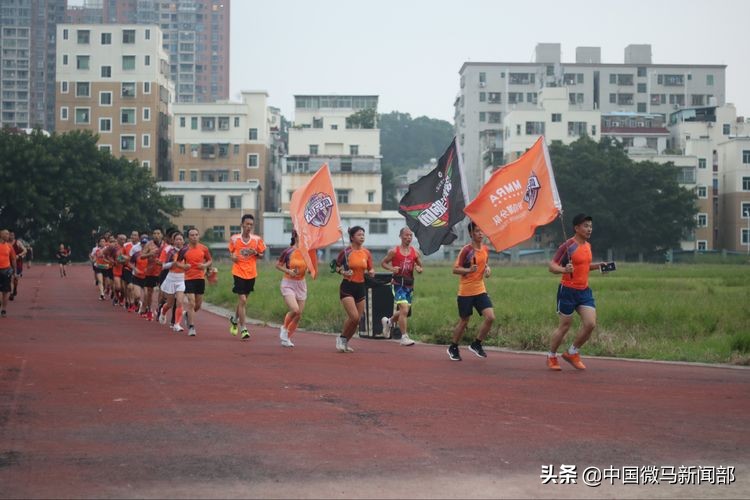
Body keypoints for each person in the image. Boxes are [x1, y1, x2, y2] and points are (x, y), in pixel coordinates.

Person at [546, 213, 606, 371]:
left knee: (590, 324)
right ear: (576, 228)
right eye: (586, 226)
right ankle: (551, 356)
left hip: (584, 291)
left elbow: (584, 266)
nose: (589, 229)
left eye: (590, 226)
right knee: (565, 326)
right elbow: (552, 266)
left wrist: (598, 265)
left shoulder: (588, 246)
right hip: (567, 290)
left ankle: (572, 352)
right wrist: (564, 269)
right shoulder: (568, 246)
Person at [447, 221, 495, 361]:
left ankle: (476, 344)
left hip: (480, 289)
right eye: (477, 231)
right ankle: (453, 347)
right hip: (466, 291)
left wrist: (487, 269)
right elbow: (455, 269)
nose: (480, 233)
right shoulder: (466, 250)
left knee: (490, 317)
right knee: (464, 321)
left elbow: (484, 263)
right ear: (471, 233)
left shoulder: (485, 249)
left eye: (482, 231)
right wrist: (468, 270)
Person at [334, 226, 375, 353]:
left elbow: (370, 268)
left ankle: (345, 342)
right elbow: (335, 266)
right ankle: (341, 339)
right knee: (354, 317)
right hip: (347, 287)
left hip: (360, 287)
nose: (362, 236)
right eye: (359, 234)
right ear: (352, 237)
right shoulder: (346, 252)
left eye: (363, 234)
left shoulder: (366, 253)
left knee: (357, 320)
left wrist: (371, 272)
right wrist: (343, 272)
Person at [380, 227, 422, 346]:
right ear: (400, 236)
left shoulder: (415, 252)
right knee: (403, 309)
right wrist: (391, 268)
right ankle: (404, 337)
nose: (408, 237)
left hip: (409, 284)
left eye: (410, 235)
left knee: (405, 311)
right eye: (406, 235)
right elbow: (383, 263)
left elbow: (420, 265)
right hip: (398, 284)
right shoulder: (394, 251)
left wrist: (419, 268)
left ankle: (388, 322)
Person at [228, 214, 266, 340]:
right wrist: (233, 257)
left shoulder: (256, 240)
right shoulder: (234, 239)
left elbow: (261, 255)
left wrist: (255, 253)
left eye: (251, 224)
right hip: (238, 272)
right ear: (242, 224)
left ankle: (234, 319)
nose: (249, 226)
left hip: (251, 273)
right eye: (247, 224)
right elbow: (232, 254)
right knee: (243, 300)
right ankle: (243, 328)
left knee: (242, 301)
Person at [275, 230, 314, 347]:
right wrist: (288, 271)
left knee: (298, 315)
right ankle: (284, 328)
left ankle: (287, 338)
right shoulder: (288, 251)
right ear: (295, 236)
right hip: (288, 283)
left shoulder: (306, 251)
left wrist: (309, 271)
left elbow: (308, 268)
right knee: (295, 310)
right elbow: (277, 265)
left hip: (301, 284)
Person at [183, 227, 212, 337]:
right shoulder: (184, 250)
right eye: (192, 235)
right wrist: (184, 266)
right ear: (188, 237)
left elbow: (210, 260)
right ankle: (191, 327)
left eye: (196, 235)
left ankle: (187, 315)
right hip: (188, 278)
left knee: (198, 305)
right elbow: (178, 262)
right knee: (191, 302)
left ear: (199, 236)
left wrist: (204, 265)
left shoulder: (204, 248)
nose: (194, 237)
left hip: (200, 278)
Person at [158, 232, 190, 333]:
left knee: (180, 302)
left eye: (181, 239)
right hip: (171, 278)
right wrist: (174, 263)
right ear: (173, 241)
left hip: (181, 279)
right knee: (170, 304)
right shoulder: (170, 252)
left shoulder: (187, 251)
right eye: (177, 239)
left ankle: (177, 324)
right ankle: (163, 312)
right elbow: (163, 265)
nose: (179, 241)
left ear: (183, 241)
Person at [0, 229, 17, 317]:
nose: (8, 236)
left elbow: (13, 259)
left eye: (8, 234)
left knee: (5, 292)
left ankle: (3, 310)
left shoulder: (9, 246)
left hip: (6, 270)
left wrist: (15, 271)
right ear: (1, 235)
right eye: (6, 234)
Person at [8, 231, 26, 301]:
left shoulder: (18, 242)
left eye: (12, 235)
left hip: (18, 263)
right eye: (10, 235)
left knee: (15, 279)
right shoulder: (6, 243)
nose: (11, 236)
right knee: (11, 278)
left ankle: (15, 288)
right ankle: (11, 293)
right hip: (9, 263)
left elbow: (25, 250)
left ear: (14, 236)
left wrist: (19, 255)